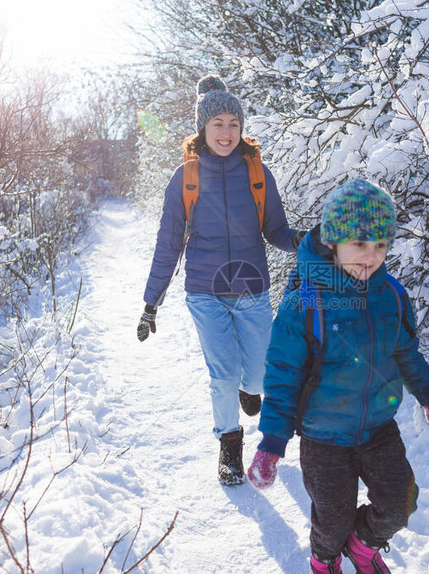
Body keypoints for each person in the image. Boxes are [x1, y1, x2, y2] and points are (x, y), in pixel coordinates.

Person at [245, 179, 429, 573]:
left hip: (378, 427)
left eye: (380, 245)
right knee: (332, 519)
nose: (370, 256)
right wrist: (272, 443)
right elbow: (282, 377)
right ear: (334, 241)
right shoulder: (304, 303)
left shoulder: (390, 294)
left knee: (400, 502)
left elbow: (405, 350)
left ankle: (362, 547)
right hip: (323, 438)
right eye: (359, 243)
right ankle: (324, 560)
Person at [137, 75, 303, 486]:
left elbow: (276, 230)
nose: (226, 133)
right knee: (223, 374)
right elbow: (168, 244)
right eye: (218, 124)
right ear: (202, 129)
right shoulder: (186, 178)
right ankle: (230, 445)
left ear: (242, 128)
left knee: (261, 375)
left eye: (233, 123)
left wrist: (305, 241)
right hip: (205, 293)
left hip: (252, 290)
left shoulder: (257, 174)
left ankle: (251, 389)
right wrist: (150, 302)